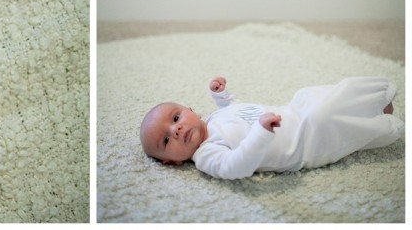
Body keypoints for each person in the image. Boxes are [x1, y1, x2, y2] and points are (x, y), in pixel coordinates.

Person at [139, 76, 403, 180]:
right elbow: (236, 167)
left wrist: (221, 95)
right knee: (324, 118)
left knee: (313, 96)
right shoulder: (206, 155)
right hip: (305, 143)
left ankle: (372, 99)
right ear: (171, 162)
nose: (175, 130)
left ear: (190, 110)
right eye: (165, 141)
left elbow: (236, 110)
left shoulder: (212, 120)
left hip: (293, 111)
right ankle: (378, 122)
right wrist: (261, 133)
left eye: (175, 118)